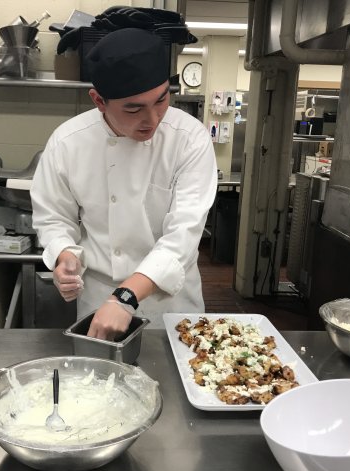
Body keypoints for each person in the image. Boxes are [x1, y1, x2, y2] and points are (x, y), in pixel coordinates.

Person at [30, 28, 217, 340]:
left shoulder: (189, 138)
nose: (153, 119)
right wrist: (65, 255)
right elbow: (53, 216)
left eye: (161, 100)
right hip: (99, 300)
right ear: (99, 101)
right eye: (134, 108)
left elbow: (183, 235)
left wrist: (126, 297)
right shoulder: (68, 141)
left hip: (169, 301)